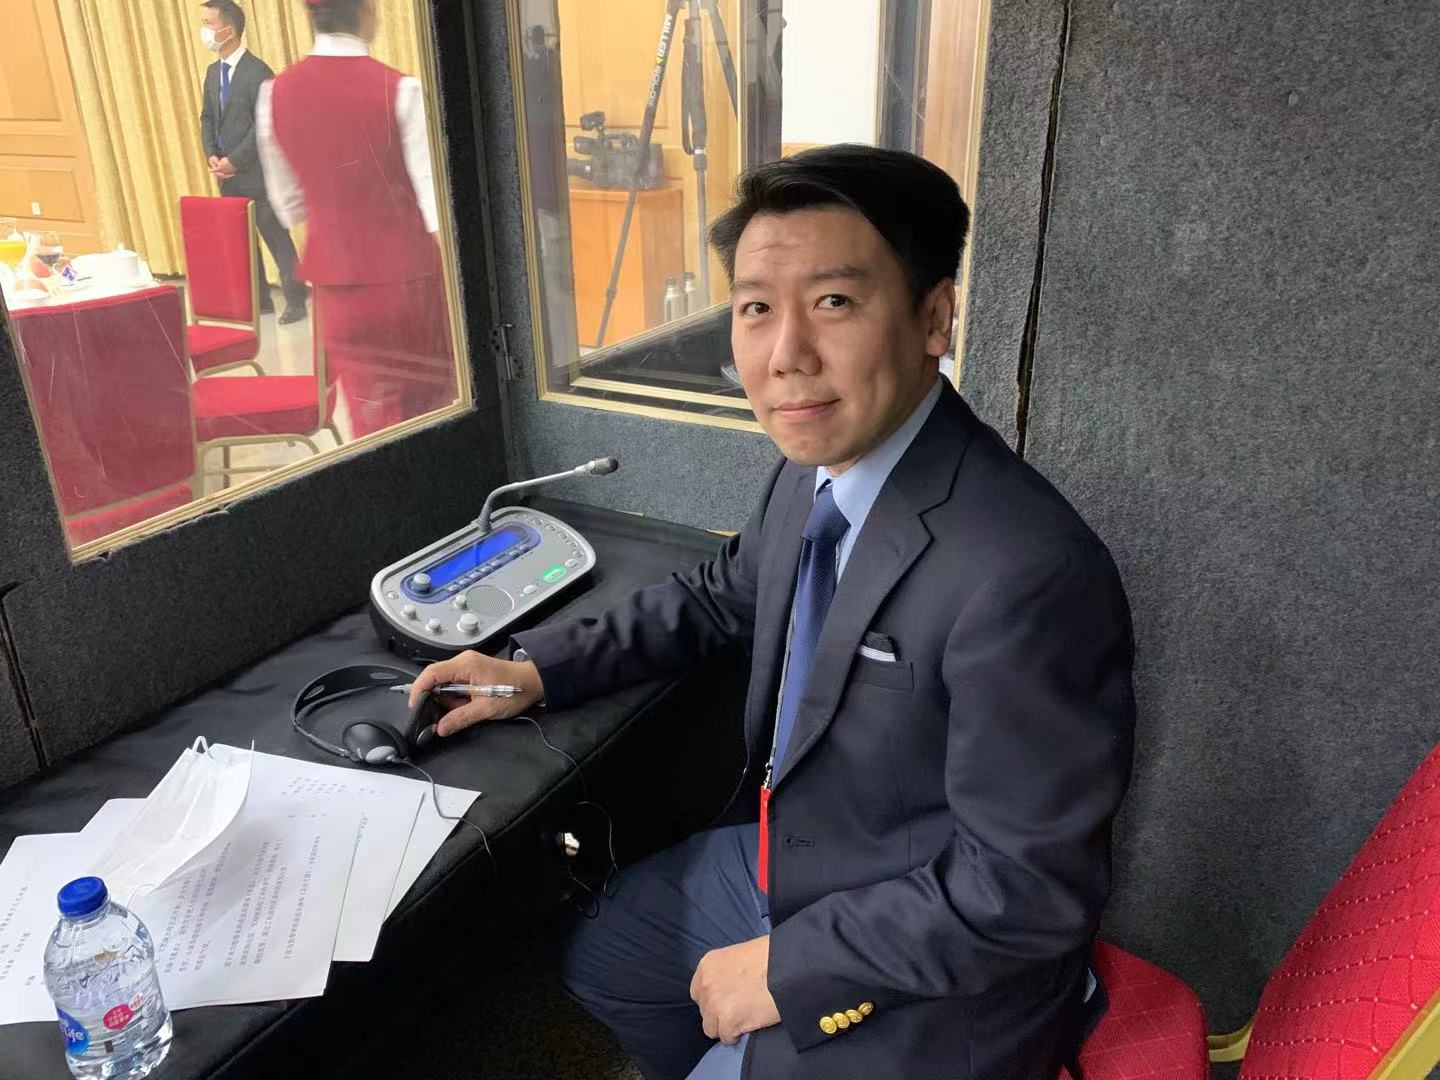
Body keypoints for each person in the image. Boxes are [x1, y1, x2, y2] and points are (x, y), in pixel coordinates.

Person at [409, 145, 1136, 1079]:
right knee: (602, 958)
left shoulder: (1028, 572)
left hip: (933, 955)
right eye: (756, 308)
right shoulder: (813, 472)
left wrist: (791, 971)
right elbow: (722, 595)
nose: (785, 354)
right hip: (795, 858)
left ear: (933, 318)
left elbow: (1028, 889)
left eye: (833, 302)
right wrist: (539, 670)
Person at [255, 0, 456, 440]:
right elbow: (435, 206)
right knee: (436, 410)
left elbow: (287, 206)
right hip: (409, 282)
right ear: (367, 11)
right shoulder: (400, 90)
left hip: (337, 288)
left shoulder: (274, 93)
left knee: (371, 420)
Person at [197, 0, 307, 324]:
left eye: (209, 23)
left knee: (276, 238)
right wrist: (212, 154)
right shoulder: (213, 72)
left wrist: (236, 159)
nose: (204, 30)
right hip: (226, 176)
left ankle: (296, 301)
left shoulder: (259, 73)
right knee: (242, 244)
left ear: (229, 30)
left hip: (258, 175)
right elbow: (207, 117)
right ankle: (261, 303)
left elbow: (264, 126)